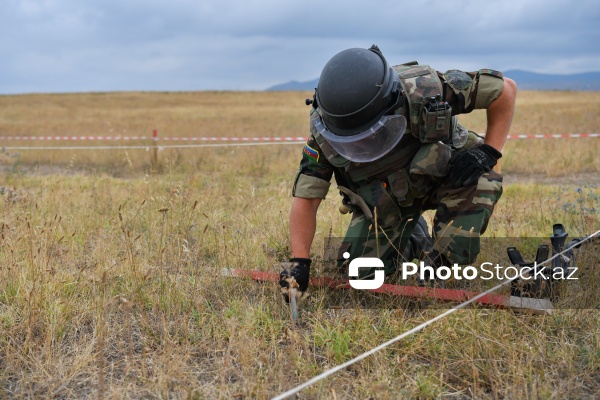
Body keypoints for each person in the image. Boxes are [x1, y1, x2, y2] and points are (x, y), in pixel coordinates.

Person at [280, 45, 517, 302]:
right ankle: (413, 236)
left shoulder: (425, 88)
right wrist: (298, 262)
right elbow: (307, 198)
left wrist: (489, 152)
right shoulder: (323, 134)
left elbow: (505, 90)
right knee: (360, 276)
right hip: (387, 202)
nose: (361, 145)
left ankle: (443, 258)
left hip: (451, 179)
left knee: (442, 268)